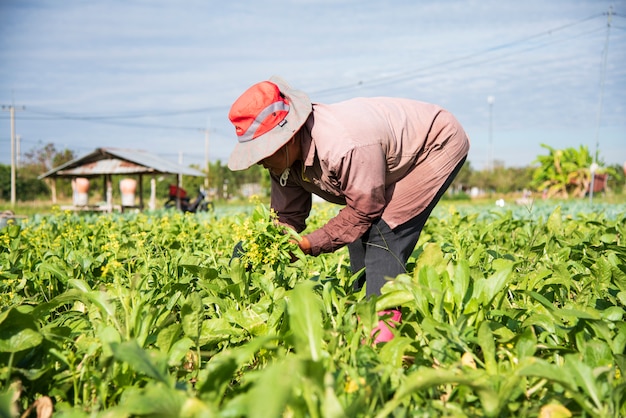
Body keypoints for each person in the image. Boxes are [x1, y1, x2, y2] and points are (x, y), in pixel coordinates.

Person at [228, 76, 470, 343]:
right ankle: (359, 315)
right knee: (357, 236)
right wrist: (264, 246)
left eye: (263, 152)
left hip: (434, 145)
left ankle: (381, 337)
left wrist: (309, 244)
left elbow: (365, 210)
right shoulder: (282, 161)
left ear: (288, 138)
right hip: (383, 156)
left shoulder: (343, 144)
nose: (260, 161)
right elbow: (287, 217)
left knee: (383, 234)